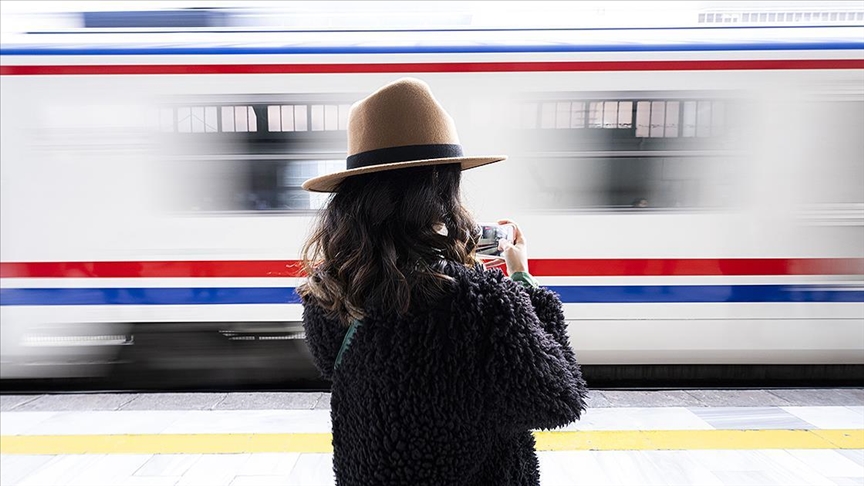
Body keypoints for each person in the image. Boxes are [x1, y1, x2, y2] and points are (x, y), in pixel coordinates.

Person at [298, 78, 587, 486]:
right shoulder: (481, 303)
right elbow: (559, 398)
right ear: (440, 185)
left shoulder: (329, 293)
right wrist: (522, 282)